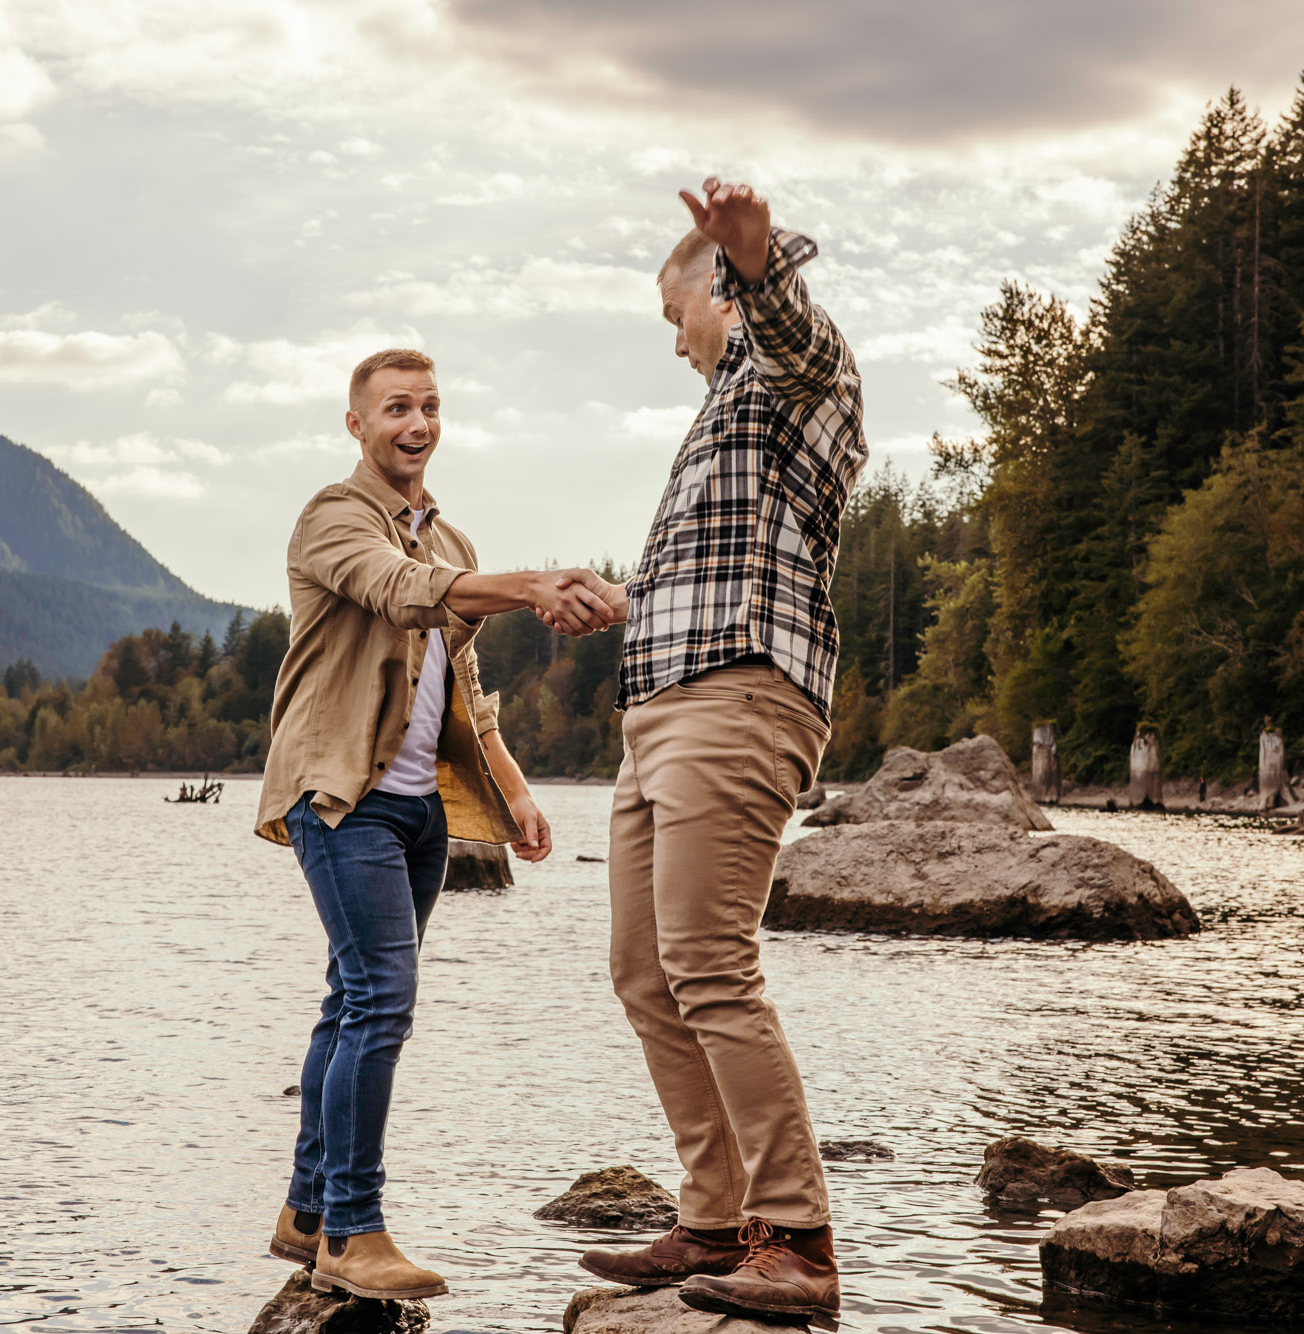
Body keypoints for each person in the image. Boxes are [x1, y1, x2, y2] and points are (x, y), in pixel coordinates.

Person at [552, 180, 867, 1328]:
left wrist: (752, 261)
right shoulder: (720, 411)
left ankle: (798, 1238)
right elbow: (726, 569)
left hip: (736, 700)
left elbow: (792, 328)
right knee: (644, 967)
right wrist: (623, 602)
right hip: (664, 706)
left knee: (708, 958)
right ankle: (715, 1213)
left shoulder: (798, 369)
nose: (670, 334)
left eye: (672, 309)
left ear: (717, 295)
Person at [256, 347, 613, 1302]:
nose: (415, 424)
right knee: (381, 998)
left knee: (353, 998)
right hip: (341, 795)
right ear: (357, 425)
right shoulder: (333, 518)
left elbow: (468, 692)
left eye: (429, 407)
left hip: (419, 812)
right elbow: (397, 590)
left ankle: (304, 1213)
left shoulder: (451, 542)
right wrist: (531, 583)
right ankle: (353, 1232)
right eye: (395, 409)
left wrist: (518, 796)